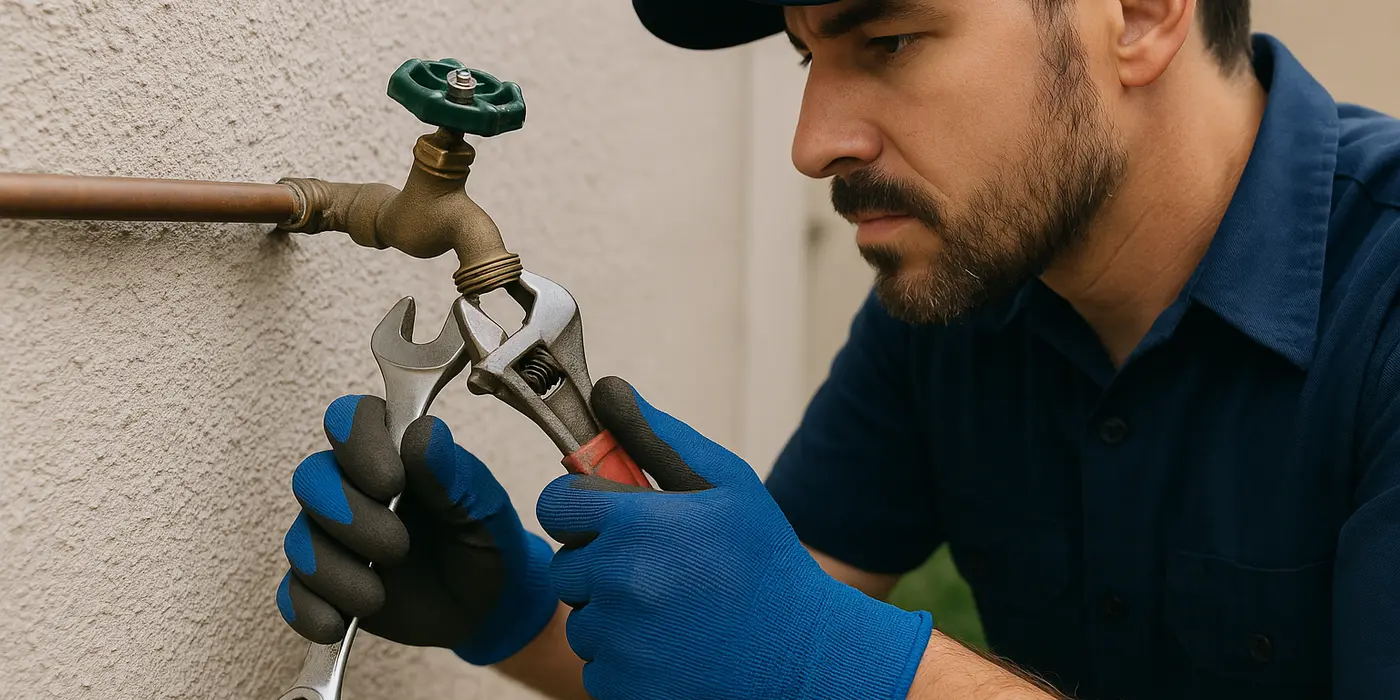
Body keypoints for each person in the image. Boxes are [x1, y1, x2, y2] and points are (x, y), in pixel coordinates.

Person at [274, 0, 1400, 698]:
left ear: (1144, 12)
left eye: (891, 36)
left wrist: (849, 669)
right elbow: (738, 650)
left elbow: (801, 660)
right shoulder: (970, 294)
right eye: (807, 51)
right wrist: (508, 606)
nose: (814, 144)